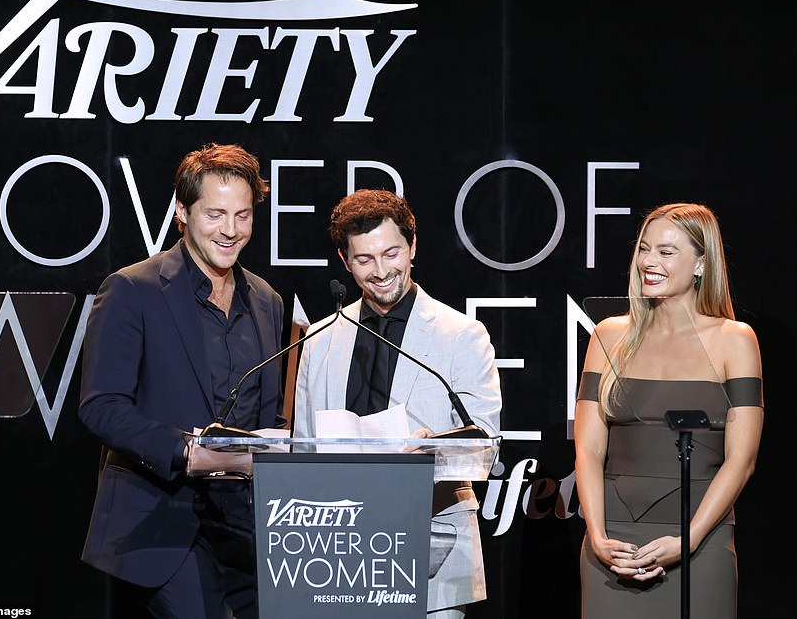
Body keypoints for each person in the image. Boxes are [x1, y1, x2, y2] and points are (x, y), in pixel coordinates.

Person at [79, 143, 284, 618]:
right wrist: (189, 452)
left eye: (243, 215)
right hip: (162, 523)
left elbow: (269, 412)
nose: (231, 231)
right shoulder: (132, 289)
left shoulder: (267, 300)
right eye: (215, 214)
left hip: (252, 528)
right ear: (181, 210)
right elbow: (101, 405)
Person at [293, 189, 502, 619]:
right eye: (365, 259)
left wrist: (427, 449)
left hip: (429, 546)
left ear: (412, 247)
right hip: (334, 555)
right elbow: (302, 448)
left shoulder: (461, 334)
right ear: (345, 260)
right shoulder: (320, 338)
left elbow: (485, 445)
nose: (382, 271)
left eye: (392, 253)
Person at [574, 203, 764, 618]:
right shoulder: (609, 336)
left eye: (665, 252)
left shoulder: (735, 340)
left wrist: (690, 538)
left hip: (700, 539)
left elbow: (742, 459)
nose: (648, 262)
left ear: (701, 264)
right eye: (644, 249)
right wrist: (597, 536)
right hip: (612, 546)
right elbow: (588, 450)